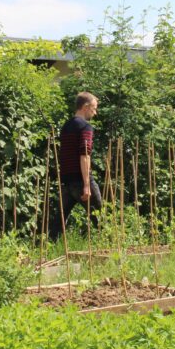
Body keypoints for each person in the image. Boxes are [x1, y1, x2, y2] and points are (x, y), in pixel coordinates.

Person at [50, 92, 101, 239]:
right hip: (80, 180)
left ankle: (50, 246)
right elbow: (84, 155)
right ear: (85, 107)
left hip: (67, 180)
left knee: (59, 222)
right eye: (94, 109)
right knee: (100, 218)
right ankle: (107, 247)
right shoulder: (85, 127)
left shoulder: (66, 126)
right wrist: (87, 184)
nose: (95, 113)